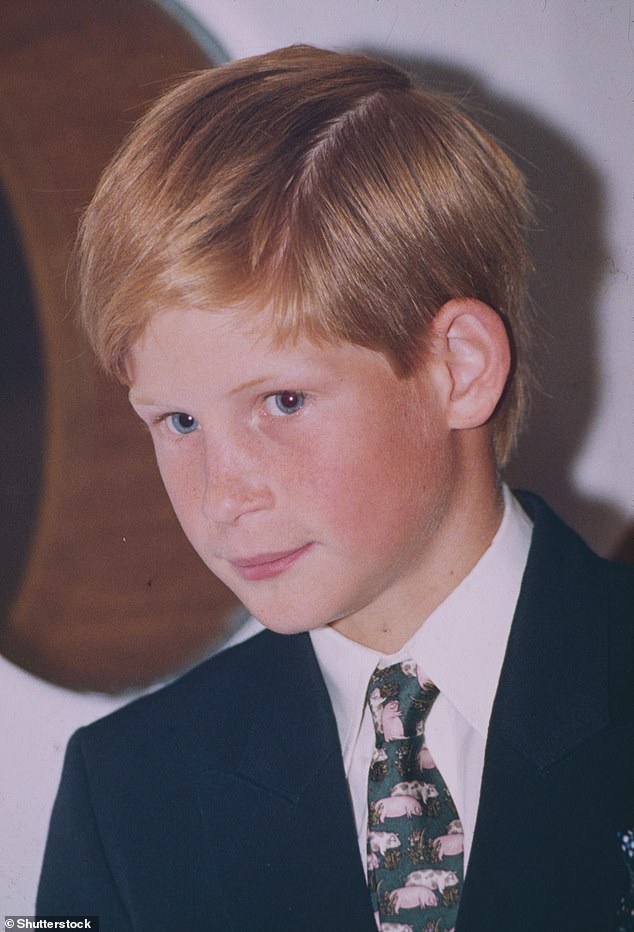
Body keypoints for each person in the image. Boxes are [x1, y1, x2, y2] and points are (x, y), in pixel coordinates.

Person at [37, 45, 634, 931]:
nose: (220, 496)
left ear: (458, 369)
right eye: (178, 423)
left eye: (282, 401)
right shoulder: (128, 792)